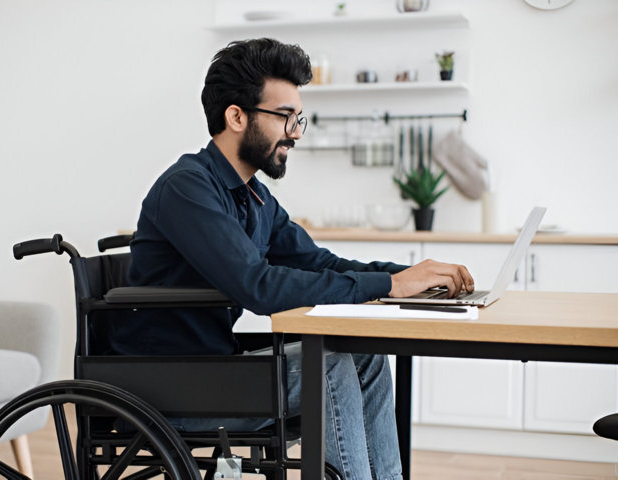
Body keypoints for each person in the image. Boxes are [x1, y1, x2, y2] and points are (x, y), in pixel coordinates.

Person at [127, 38, 474, 480]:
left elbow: (320, 263)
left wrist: (405, 276)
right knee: (326, 363)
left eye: (298, 118)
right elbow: (258, 287)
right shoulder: (187, 187)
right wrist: (390, 287)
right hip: (173, 383)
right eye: (284, 117)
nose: (295, 131)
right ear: (237, 116)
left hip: (215, 368)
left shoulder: (255, 198)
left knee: (365, 355)